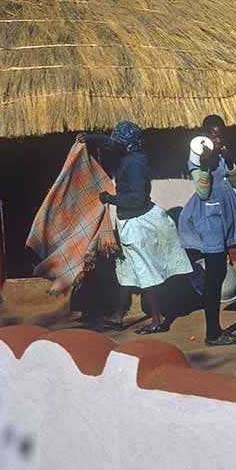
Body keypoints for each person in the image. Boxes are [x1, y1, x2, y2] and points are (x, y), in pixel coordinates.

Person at [77, 122, 192, 334]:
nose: (114, 146)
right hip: (130, 221)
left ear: (128, 145)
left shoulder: (136, 164)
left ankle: (158, 319)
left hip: (138, 223)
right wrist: (90, 138)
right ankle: (118, 316)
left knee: (143, 271)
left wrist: (109, 199)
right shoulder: (129, 156)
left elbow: (137, 199)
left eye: (119, 143)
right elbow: (110, 144)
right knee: (126, 270)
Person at [178, 115, 236, 346]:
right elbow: (202, 193)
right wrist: (205, 164)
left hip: (224, 216)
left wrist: (229, 158)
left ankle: (215, 330)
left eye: (220, 133)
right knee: (214, 277)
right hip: (209, 219)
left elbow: (234, 183)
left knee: (219, 273)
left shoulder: (221, 155)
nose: (216, 137)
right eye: (212, 133)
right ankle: (212, 333)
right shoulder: (197, 157)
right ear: (203, 134)